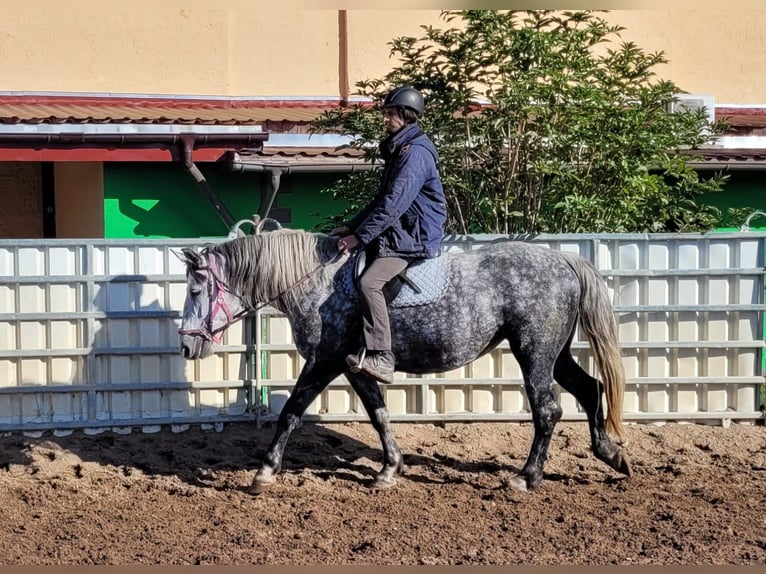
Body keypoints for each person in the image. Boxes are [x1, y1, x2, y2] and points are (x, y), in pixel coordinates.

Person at [333, 85, 447, 385]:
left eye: (390, 114)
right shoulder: (401, 150)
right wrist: (355, 226)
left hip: (412, 236)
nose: (386, 119)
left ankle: (382, 357)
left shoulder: (415, 154)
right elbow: (381, 198)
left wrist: (361, 238)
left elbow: (394, 205)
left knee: (370, 283)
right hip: (400, 232)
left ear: (406, 115)